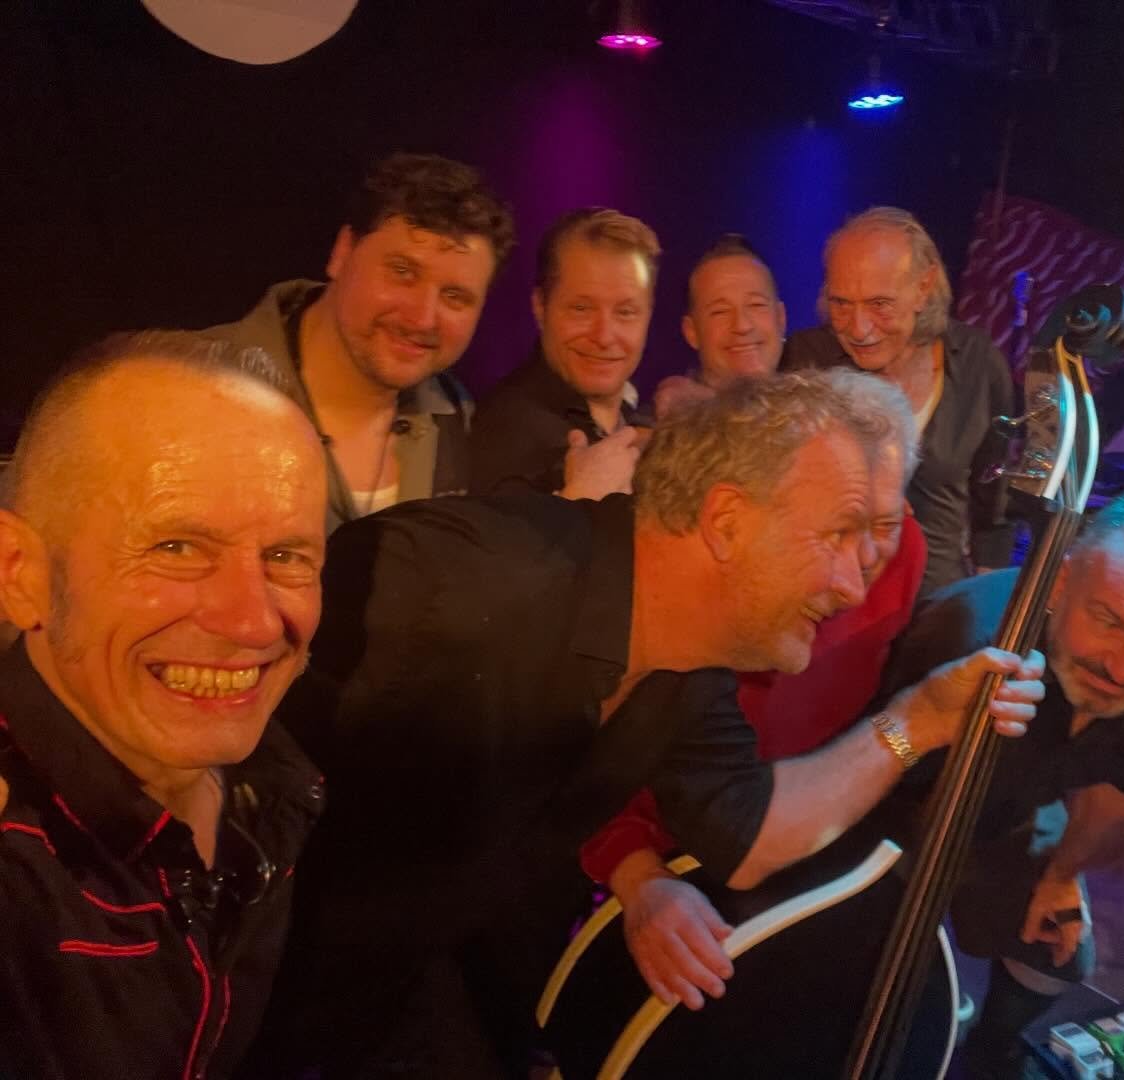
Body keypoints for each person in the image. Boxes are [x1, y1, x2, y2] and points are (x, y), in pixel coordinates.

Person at [245, 370, 1045, 1078]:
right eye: (838, 534)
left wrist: (922, 719)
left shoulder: (690, 672)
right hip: (235, 1004)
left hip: (391, 1000)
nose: (854, 584)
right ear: (727, 521)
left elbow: (751, 836)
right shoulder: (453, 581)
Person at [0, 331, 329, 1079]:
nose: (254, 622)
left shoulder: (275, 785)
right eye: (176, 547)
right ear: (21, 573)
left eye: (286, 556)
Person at [579, 372, 927, 1011]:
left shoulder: (905, 552)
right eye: (842, 527)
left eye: (884, 521)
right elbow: (596, 733)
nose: (861, 565)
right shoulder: (736, 579)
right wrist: (638, 875)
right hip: (667, 848)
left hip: (793, 844)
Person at [883, 487, 1124, 1080]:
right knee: (883, 969)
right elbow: (872, 751)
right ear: (1061, 582)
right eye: (1110, 621)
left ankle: (992, 1050)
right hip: (894, 805)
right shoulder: (961, 631)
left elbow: (1115, 801)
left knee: (1057, 949)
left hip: (1016, 808)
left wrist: (1062, 876)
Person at [208, 152, 515, 532]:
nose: (422, 318)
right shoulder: (189, 387)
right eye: (402, 272)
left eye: (455, 297)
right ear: (342, 252)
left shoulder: (461, 422)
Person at [783, 206, 1016, 593]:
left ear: (924, 287)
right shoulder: (806, 361)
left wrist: (985, 600)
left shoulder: (978, 363)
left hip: (939, 605)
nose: (859, 329)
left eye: (880, 304)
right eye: (841, 304)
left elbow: (995, 505)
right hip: (834, 600)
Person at [468, 207, 660, 500]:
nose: (604, 336)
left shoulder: (635, 421)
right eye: (581, 309)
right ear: (540, 307)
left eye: (625, 312)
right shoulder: (511, 433)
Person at [651, 234, 787, 420]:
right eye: (720, 311)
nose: (742, 325)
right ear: (691, 332)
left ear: (781, 318)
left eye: (756, 305)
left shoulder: (813, 418)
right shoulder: (661, 427)